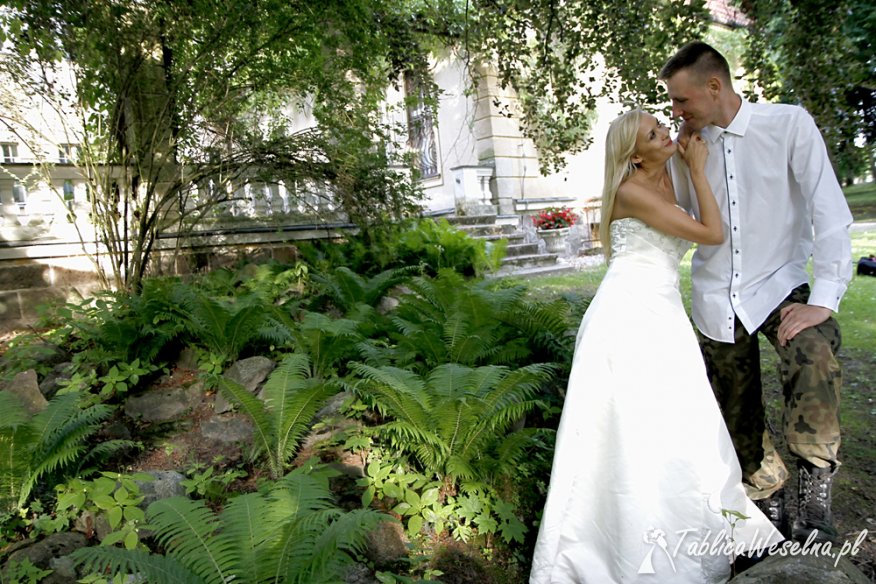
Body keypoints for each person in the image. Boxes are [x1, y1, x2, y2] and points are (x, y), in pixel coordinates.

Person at [529, 108, 783, 584]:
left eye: (663, 126)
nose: (666, 134)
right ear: (634, 154)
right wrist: (699, 170)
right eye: (654, 133)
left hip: (662, 313)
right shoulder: (632, 191)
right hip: (628, 317)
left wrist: (688, 163)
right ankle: (623, 549)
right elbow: (711, 234)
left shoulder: (666, 183)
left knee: (675, 422)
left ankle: (690, 530)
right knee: (631, 432)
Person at [658, 41, 854, 544]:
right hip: (715, 296)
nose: (676, 112)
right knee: (734, 406)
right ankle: (767, 500)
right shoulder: (685, 147)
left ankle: (814, 503)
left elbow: (829, 211)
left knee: (814, 355)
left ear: (715, 86)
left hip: (779, 286)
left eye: (682, 101)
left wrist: (824, 299)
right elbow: (683, 222)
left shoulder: (788, 125)